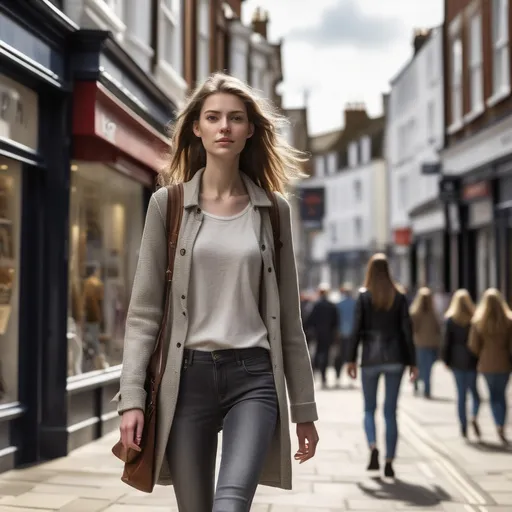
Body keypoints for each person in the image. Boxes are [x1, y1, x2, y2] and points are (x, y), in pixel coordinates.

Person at [115, 72, 319, 511]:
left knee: (230, 505)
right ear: (197, 128)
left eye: (235, 118)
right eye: (213, 117)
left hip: (254, 378)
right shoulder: (166, 205)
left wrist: (305, 408)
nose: (224, 126)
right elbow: (144, 313)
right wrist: (131, 397)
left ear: (250, 130)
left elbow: (289, 322)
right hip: (186, 381)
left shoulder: (273, 212)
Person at [346, 253, 418, 478]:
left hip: (370, 358)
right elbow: (407, 331)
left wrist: (350, 359)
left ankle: (373, 446)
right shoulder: (399, 296)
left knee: (369, 409)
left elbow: (356, 329)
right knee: (390, 412)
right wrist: (412, 362)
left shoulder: (364, 296)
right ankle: (389, 461)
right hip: (395, 359)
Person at [468, 288, 512, 445]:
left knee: (493, 396)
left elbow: (473, 345)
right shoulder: (508, 321)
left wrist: (483, 352)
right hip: (504, 363)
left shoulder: (478, 321)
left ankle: (497, 422)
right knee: (502, 395)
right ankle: (501, 425)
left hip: (486, 364)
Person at [441, 289, 481, 440]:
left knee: (461, 395)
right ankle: (474, 415)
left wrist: (445, 360)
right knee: (475, 394)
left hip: (457, 360)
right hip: (472, 359)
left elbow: (446, 342)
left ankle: (463, 426)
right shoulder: (475, 319)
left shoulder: (450, 320)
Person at [304, 283, 339, 389]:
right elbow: (336, 321)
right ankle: (323, 376)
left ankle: (314, 374)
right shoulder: (331, 305)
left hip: (317, 334)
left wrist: (308, 330)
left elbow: (309, 319)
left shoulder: (316, 305)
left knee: (316, 354)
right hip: (328, 334)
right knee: (326, 354)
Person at [409, 287, 442, 399]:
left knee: (420, 367)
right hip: (428, 344)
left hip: (420, 344)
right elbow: (438, 329)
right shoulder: (432, 313)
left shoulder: (415, 313)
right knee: (427, 369)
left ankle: (418, 384)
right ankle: (426, 389)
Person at [334, 282, 356, 386]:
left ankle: (338, 378)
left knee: (340, 356)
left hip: (341, 334)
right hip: (352, 334)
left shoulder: (339, 304)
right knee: (351, 357)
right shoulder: (355, 303)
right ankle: (351, 378)